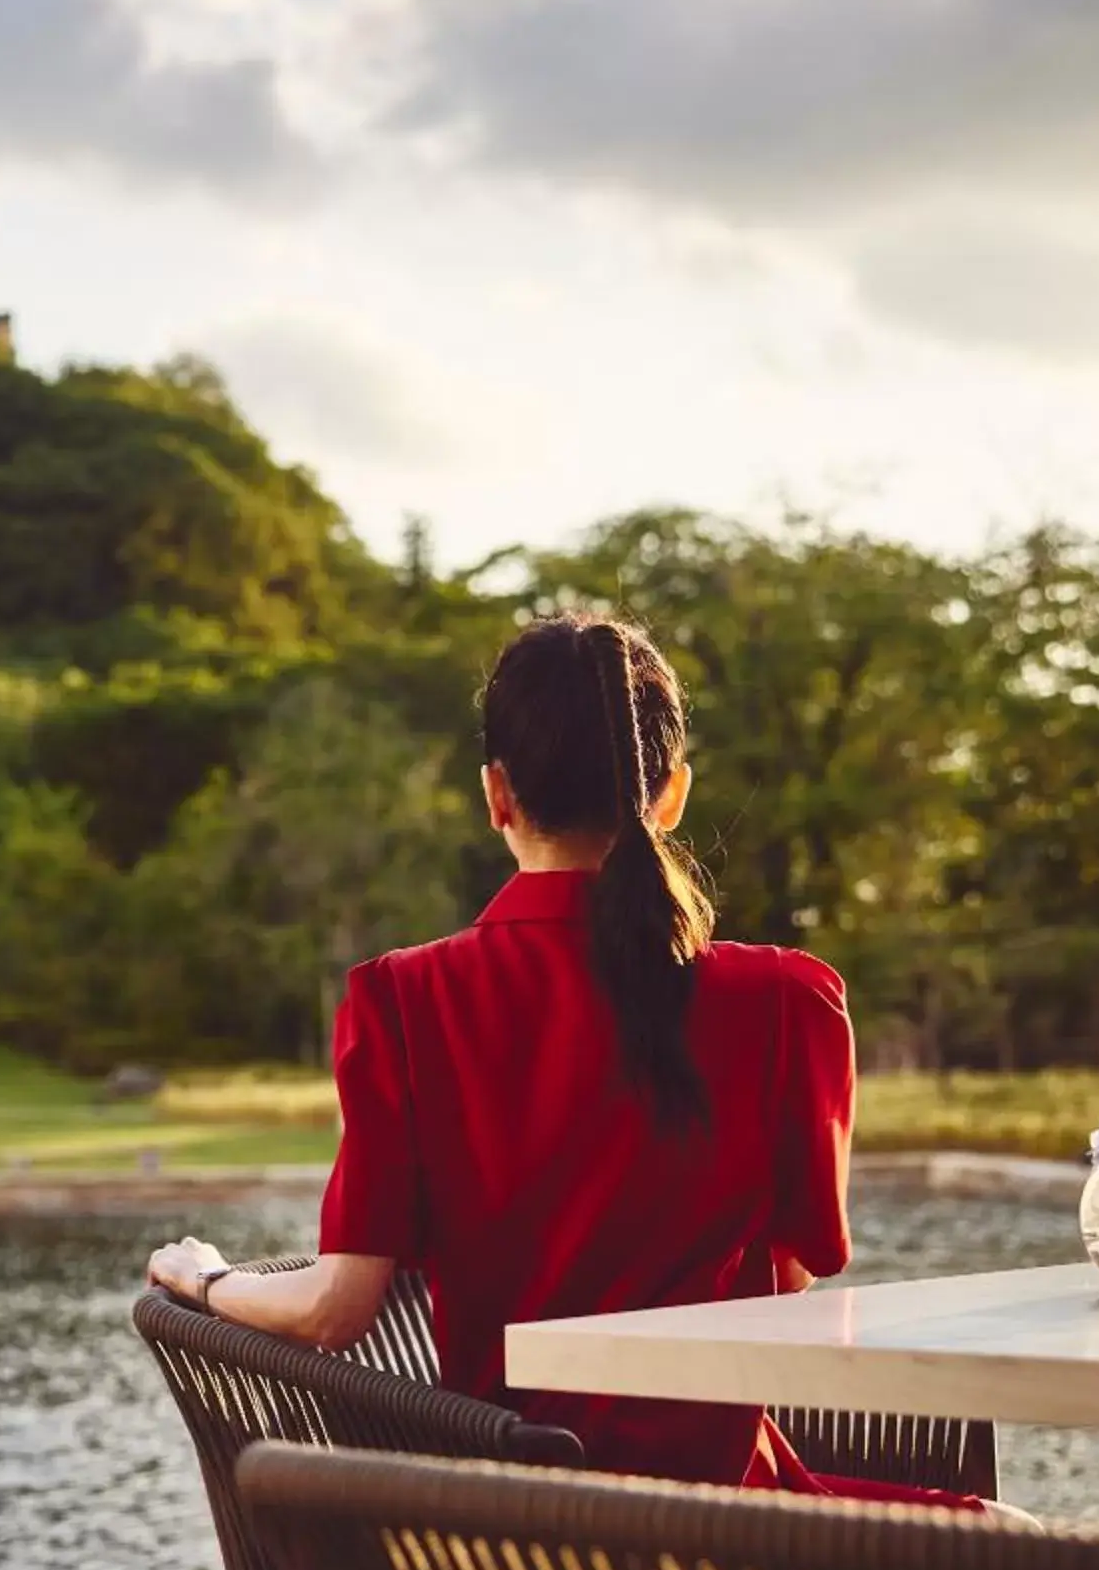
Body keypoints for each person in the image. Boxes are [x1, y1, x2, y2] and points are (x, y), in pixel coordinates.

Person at [146, 613, 998, 1511]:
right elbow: (791, 1275)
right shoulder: (788, 1001)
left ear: (497, 795)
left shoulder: (403, 1002)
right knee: (1051, 1565)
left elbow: (334, 1308)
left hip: (519, 1554)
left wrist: (206, 1279)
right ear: (671, 795)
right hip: (737, 1535)